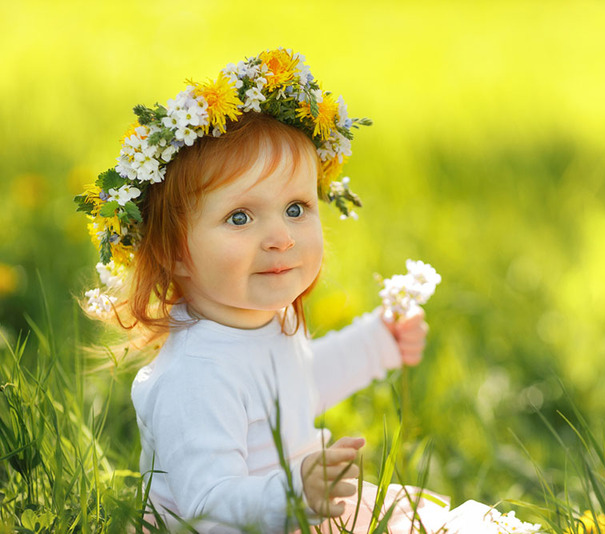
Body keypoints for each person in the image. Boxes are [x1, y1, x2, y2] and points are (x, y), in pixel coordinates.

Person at [76, 48, 449, 533]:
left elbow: (298, 385)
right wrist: (296, 493)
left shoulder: (261, 325)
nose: (282, 237)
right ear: (171, 251)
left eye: (296, 208)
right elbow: (207, 503)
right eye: (240, 217)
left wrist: (378, 343)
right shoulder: (195, 377)